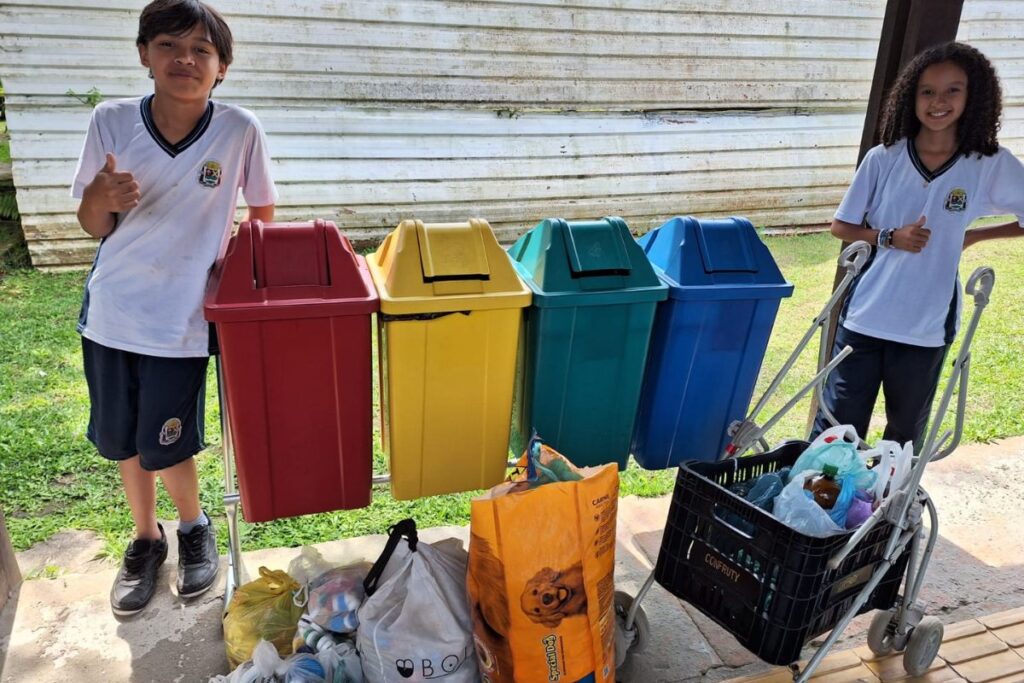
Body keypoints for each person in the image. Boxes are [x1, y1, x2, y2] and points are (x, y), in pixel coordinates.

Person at [72, 0, 276, 615]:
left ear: (221, 68)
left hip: (182, 322)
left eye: (201, 50)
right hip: (112, 312)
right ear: (144, 55)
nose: (184, 59)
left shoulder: (239, 129)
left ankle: (193, 529)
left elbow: (262, 216)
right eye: (168, 45)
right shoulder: (111, 122)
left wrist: (234, 267)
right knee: (122, 439)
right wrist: (100, 195)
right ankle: (145, 538)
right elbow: (90, 224)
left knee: (170, 438)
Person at [813, 41, 1024, 448]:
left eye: (952, 90)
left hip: (926, 326)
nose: (938, 102)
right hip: (866, 317)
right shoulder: (884, 158)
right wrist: (890, 237)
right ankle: (819, 509)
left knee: (904, 438)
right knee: (835, 432)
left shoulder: (989, 164)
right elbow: (842, 226)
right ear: (912, 96)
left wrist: (976, 234)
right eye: (927, 91)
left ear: (973, 95)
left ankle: (891, 511)